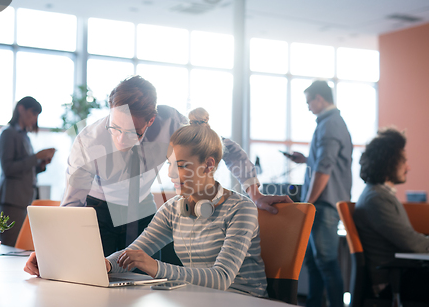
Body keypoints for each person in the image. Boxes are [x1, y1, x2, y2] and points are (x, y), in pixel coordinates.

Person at [25, 109, 267, 297]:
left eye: (181, 166)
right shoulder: (173, 209)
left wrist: (155, 267)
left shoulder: (240, 209)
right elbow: (132, 254)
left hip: (243, 304)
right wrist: (97, 265)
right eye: (169, 164)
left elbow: (222, 278)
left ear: (209, 165)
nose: (171, 174)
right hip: (202, 301)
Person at [61, 75, 291, 259]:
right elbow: (72, 204)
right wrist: (55, 252)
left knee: (147, 286)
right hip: (100, 213)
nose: (121, 140)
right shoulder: (89, 141)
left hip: (141, 210)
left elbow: (222, 148)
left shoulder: (169, 122)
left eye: (133, 133)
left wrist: (255, 193)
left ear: (151, 120)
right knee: (98, 282)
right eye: (115, 128)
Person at [286, 80, 352, 307]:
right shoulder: (328, 123)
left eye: (308, 102)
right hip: (322, 204)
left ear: (319, 98)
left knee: (325, 262)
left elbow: (325, 169)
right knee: (314, 263)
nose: (308, 107)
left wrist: (307, 203)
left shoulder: (330, 124)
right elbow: (322, 162)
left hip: (323, 205)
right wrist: (305, 160)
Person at [353, 128, 429, 303]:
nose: (408, 167)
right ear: (388, 162)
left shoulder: (380, 195)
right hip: (392, 283)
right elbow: (412, 243)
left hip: (401, 275)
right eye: (403, 161)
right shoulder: (376, 199)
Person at [0, 96, 56, 247]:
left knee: (20, 247)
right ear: (21, 109)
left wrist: (40, 165)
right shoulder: (8, 134)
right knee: (10, 247)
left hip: (22, 200)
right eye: (33, 113)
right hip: (11, 202)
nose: (35, 119)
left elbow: (23, 169)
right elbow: (8, 169)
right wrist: (36, 157)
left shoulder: (24, 136)